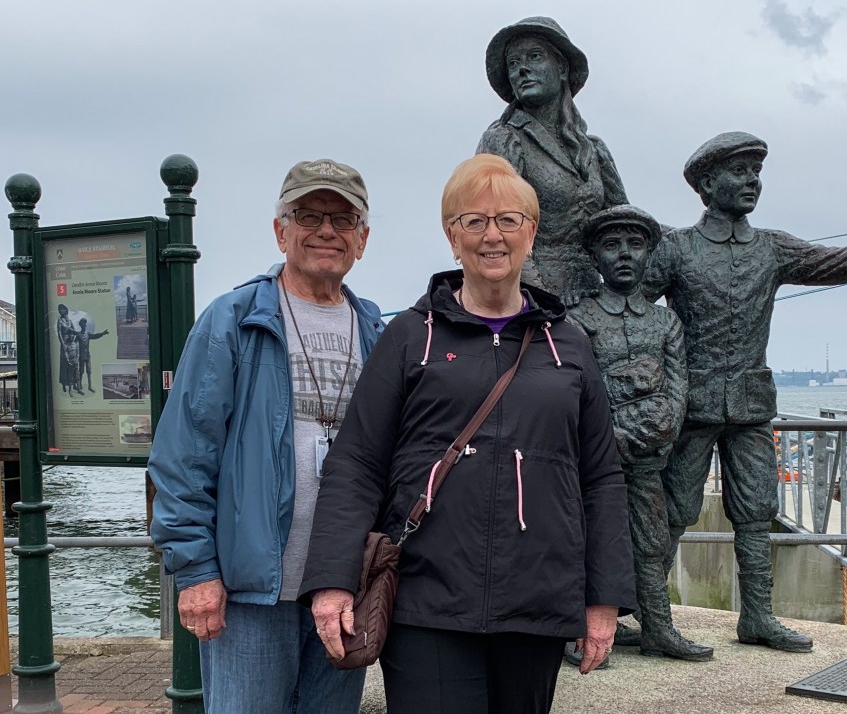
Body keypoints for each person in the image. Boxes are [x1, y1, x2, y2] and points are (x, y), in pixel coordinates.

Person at [300, 153, 635, 714]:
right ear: (452, 237)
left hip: (537, 602)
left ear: (531, 233)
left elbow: (600, 476)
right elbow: (356, 463)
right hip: (426, 601)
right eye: (473, 221)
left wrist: (604, 599)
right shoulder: (411, 337)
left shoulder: (568, 345)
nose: (492, 236)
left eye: (508, 220)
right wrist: (332, 581)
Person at [643, 131, 847, 653]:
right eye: (739, 171)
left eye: (757, 171)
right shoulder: (676, 249)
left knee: (756, 511)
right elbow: (633, 311)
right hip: (690, 407)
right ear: (707, 184)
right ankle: (651, 620)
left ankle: (757, 617)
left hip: (751, 407)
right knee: (673, 511)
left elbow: (838, 262)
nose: (752, 181)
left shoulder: (771, 247)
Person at [148, 158, 385, 714]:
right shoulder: (232, 321)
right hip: (250, 594)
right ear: (281, 231)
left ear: (362, 239)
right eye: (308, 215)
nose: (326, 231)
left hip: (342, 588)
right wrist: (197, 571)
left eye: (342, 219)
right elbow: (183, 456)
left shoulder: (376, 331)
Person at [566, 205, 710, 664]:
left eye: (635, 244)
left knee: (651, 539)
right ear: (595, 256)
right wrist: (610, 435)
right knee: (585, 539)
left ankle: (658, 627)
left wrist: (657, 433)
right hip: (593, 459)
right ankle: (577, 632)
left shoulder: (665, 322)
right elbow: (576, 389)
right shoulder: (577, 319)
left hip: (647, 457)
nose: (625, 254)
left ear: (649, 253)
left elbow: (678, 388)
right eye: (612, 245)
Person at [477, 16, 629, 302]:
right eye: (513, 64)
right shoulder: (504, 140)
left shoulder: (595, 150)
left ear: (562, 68)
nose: (522, 69)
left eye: (535, 57)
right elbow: (498, 232)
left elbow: (624, 225)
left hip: (595, 296)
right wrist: (542, 303)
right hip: (535, 296)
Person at [75, 318, 109, 393]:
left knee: (89, 371)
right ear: (81, 325)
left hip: (87, 356)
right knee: (81, 371)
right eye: (83, 323)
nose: (85, 325)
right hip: (81, 356)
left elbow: (95, 336)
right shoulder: (78, 335)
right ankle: (79, 385)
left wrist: (102, 333)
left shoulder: (88, 334)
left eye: (85, 324)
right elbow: (75, 345)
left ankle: (89, 386)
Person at [55, 304, 79, 395]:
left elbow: (74, 331)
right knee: (65, 364)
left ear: (66, 310)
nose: (61, 311)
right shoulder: (59, 320)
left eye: (62, 309)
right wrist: (63, 344)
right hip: (64, 343)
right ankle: (64, 384)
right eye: (60, 310)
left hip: (71, 342)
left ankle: (74, 384)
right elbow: (59, 333)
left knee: (74, 363)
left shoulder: (70, 321)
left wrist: (77, 335)